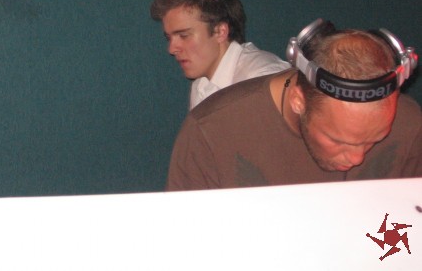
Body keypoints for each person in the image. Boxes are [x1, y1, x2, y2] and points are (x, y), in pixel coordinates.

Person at [166, 19, 422, 191]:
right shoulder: (211, 133)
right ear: (298, 100)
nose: (357, 158)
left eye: (375, 138)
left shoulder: (410, 123)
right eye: (338, 140)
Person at [150, 0, 289, 110]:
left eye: (184, 35)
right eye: (169, 38)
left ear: (220, 31)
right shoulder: (201, 85)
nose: (171, 49)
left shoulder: (263, 81)